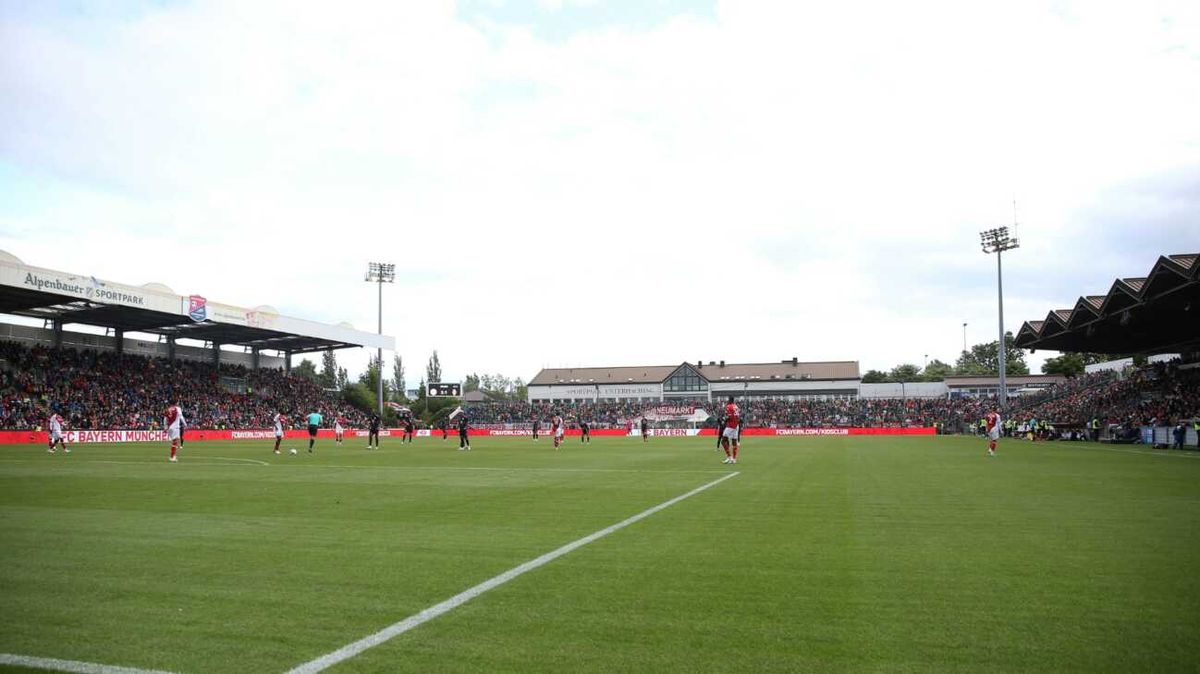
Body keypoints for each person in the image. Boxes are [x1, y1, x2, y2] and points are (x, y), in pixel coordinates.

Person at [720, 397, 740, 464]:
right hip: (736, 425)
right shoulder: (736, 406)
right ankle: (734, 459)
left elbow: (729, 417)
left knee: (723, 441)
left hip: (731, 426)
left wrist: (724, 420)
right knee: (734, 441)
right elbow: (736, 416)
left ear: (730, 400)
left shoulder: (729, 406)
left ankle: (729, 457)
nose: (727, 401)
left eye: (728, 400)